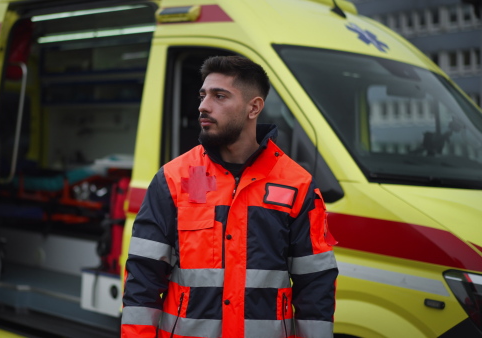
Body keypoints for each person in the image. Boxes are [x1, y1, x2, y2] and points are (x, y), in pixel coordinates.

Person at [121, 55, 338, 338]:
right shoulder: (174, 178)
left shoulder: (297, 184)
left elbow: (316, 287)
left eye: (219, 96)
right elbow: (144, 278)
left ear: (254, 108)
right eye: (203, 95)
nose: (203, 106)